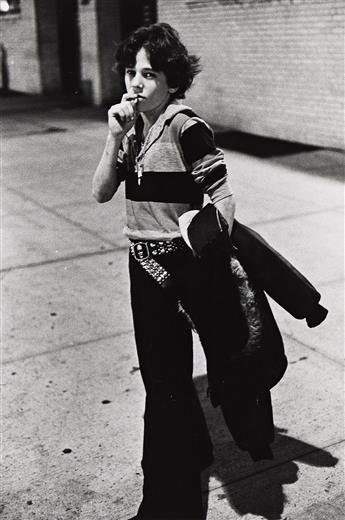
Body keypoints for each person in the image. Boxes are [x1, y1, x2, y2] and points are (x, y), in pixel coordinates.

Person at [92, 22, 280, 520]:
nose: (135, 83)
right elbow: (101, 191)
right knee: (165, 378)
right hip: (142, 264)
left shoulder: (185, 126)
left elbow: (223, 197)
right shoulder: (133, 127)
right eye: (131, 72)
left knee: (169, 382)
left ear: (173, 81)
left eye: (149, 74)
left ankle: (167, 504)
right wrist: (115, 139)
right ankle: (193, 452)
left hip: (182, 268)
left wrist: (201, 232)